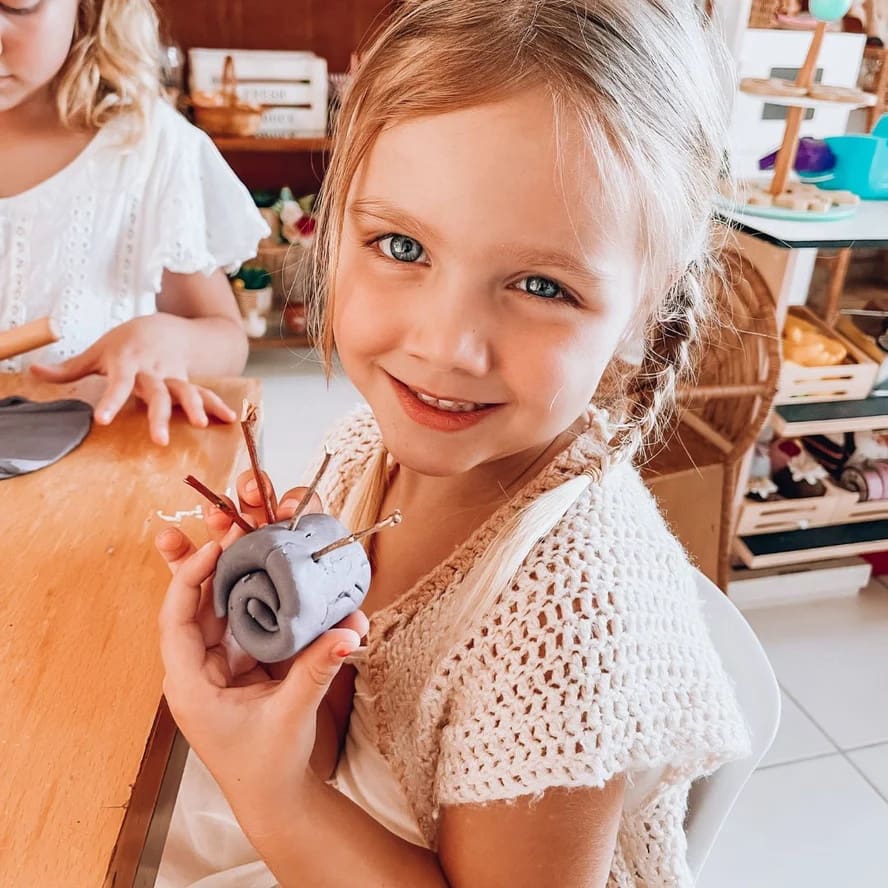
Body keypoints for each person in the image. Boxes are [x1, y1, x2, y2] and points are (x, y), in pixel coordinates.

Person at [154, 1, 751, 885]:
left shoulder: (566, 623)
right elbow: (342, 740)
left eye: (542, 285)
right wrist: (272, 673)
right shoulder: (371, 449)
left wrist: (266, 787)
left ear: (642, 315)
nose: (444, 346)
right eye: (402, 244)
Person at [0, 0, 268, 444]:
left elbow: (226, 340)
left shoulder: (147, 149)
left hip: (91, 480)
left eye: (17, 3)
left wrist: (166, 341)